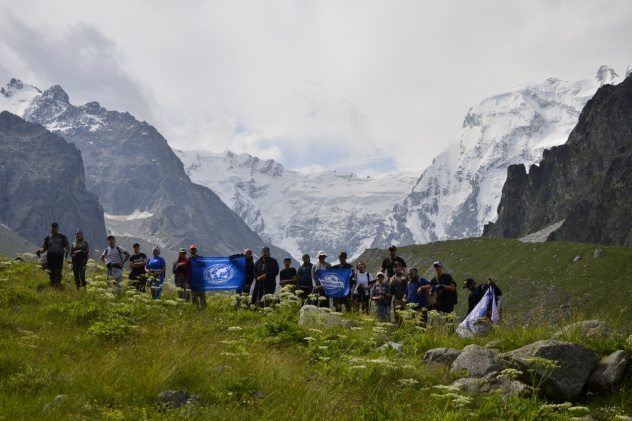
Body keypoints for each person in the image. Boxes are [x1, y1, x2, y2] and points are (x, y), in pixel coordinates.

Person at [36, 222, 70, 289]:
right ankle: (52, 285)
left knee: (58, 271)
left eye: (55, 228)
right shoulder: (48, 238)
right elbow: (44, 249)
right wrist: (39, 251)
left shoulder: (62, 237)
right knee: (51, 271)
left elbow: (67, 245)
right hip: (50, 256)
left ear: (57, 228)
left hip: (59, 256)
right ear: (50, 228)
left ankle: (57, 285)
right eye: (52, 228)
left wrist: (67, 250)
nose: (53, 229)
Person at [390, 261, 408, 325]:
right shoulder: (392, 278)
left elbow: (409, 288)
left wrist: (404, 281)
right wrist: (391, 284)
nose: (394, 268)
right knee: (397, 317)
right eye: (393, 267)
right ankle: (398, 330)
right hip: (397, 300)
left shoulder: (405, 276)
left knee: (406, 316)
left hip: (405, 300)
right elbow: (391, 292)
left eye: (396, 266)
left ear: (400, 267)